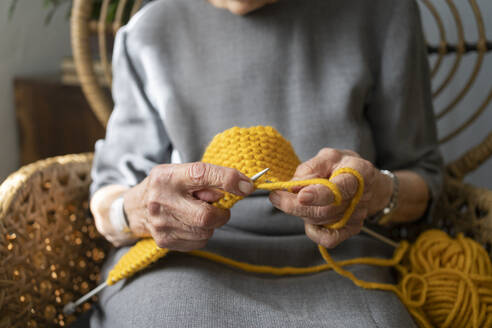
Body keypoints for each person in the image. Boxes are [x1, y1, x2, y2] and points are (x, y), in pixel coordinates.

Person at [87, 0, 443, 326]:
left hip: (344, 261)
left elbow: (424, 177)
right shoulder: (150, 29)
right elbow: (110, 197)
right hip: (185, 260)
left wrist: (374, 192)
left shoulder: (383, 12)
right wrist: (134, 210)